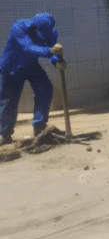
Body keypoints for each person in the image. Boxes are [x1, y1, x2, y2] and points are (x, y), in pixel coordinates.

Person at [0, 13, 65, 145]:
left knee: (45, 89)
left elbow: (52, 51)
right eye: (42, 31)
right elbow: (29, 47)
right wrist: (50, 51)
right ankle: (5, 135)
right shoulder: (18, 27)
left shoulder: (51, 32)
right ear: (35, 26)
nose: (45, 34)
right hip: (11, 68)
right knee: (8, 101)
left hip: (31, 65)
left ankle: (39, 127)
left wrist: (57, 62)